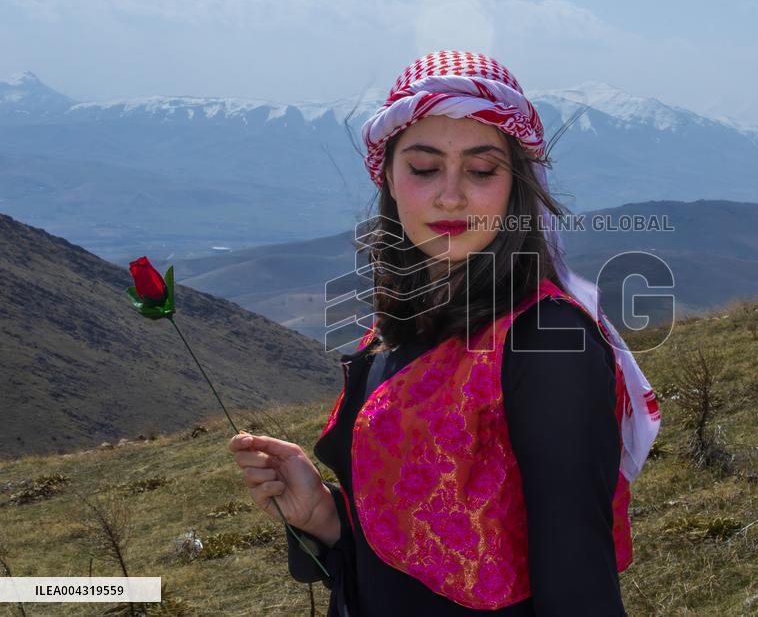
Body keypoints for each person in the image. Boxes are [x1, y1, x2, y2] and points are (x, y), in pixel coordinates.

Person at [228, 51, 662, 616]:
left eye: (481, 171)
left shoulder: (544, 341)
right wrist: (325, 518)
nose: (451, 195)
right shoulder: (394, 328)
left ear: (516, 186)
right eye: (424, 168)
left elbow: (578, 585)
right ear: (388, 177)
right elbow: (412, 564)